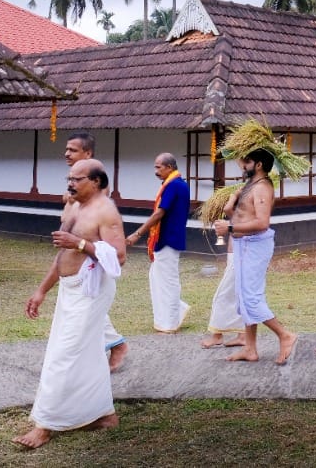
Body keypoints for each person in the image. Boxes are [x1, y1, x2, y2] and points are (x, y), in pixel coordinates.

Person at [14, 159, 125, 449]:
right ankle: (104, 414)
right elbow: (61, 254)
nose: (70, 183)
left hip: (92, 291)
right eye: (70, 178)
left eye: (78, 179)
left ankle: (45, 424)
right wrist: (41, 291)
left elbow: (119, 256)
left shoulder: (106, 212)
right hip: (69, 287)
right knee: (86, 353)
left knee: (63, 354)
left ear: (97, 182)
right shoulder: (73, 207)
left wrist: (79, 244)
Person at [35, 133, 128, 370]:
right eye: (66, 150)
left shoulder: (98, 199)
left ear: (88, 154)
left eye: (73, 150)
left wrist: (78, 242)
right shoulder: (76, 192)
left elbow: (114, 253)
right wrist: (42, 290)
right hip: (69, 275)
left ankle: (116, 344)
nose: (67, 154)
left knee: (70, 349)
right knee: (75, 344)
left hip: (87, 272)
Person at [213, 148, 297, 364]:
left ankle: (285, 335)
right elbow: (242, 216)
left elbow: (261, 223)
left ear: (258, 165)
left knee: (251, 297)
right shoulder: (250, 185)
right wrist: (230, 206)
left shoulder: (262, 188)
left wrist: (230, 228)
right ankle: (250, 349)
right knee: (243, 296)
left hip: (255, 245)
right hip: (243, 244)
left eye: (247, 161)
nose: (242, 165)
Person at [126, 153, 191, 332]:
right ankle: (175, 312)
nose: (156, 171)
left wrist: (137, 233)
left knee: (167, 280)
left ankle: (170, 321)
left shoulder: (174, 185)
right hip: (168, 237)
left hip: (169, 238)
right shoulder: (177, 184)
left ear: (169, 167)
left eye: (158, 167)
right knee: (158, 278)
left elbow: (159, 213)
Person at [200, 186, 245, 349]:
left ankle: (217, 336)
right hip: (236, 257)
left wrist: (234, 195)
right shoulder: (241, 215)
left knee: (222, 296)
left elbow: (227, 208)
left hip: (238, 258)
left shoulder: (240, 214)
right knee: (239, 297)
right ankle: (242, 335)